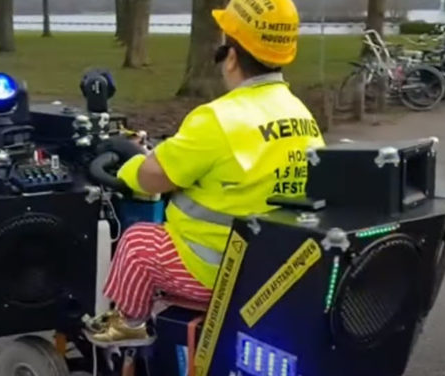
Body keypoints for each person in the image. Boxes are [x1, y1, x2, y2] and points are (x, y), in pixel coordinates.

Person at [85, 0, 325, 346]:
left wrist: (129, 166)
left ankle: (130, 323)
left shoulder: (217, 118)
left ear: (230, 57)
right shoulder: (301, 115)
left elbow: (155, 176)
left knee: (137, 242)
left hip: (217, 269)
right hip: (274, 268)